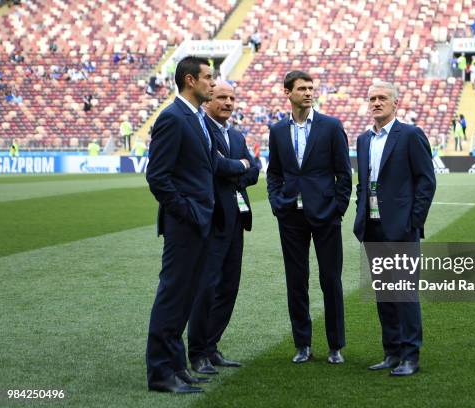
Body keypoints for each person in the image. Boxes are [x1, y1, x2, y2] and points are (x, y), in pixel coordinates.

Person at [267, 71, 352, 364]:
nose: (308, 92)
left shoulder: (331, 126)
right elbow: (274, 173)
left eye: (310, 88)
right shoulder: (277, 130)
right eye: (301, 88)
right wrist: (278, 203)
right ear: (287, 92)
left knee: (331, 280)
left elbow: (344, 174)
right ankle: (302, 345)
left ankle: (335, 346)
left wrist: (337, 209)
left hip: (325, 215)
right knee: (296, 281)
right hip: (291, 216)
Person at [145, 56, 218, 394]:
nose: (213, 83)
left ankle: (177, 366)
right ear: (190, 80)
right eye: (208, 77)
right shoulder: (173, 118)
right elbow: (158, 177)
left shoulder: (196, 118)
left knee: (186, 296)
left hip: (198, 222)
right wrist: (187, 211)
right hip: (185, 224)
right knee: (173, 295)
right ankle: (161, 373)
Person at [353, 81, 435, 376]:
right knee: (384, 294)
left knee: (404, 293)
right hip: (372, 227)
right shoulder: (363, 140)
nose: (376, 102)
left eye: (382, 98)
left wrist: (414, 222)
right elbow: (365, 184)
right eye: (372, 97)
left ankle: (411, 356)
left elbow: (427, 181)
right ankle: (392, 352)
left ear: (395, 103)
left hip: (401, 229)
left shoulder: (410, 135)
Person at [187, 80, 259, 375]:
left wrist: (239, 167)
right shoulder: (202, 130)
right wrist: (240, 167)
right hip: (213, 220)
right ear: (208, 100)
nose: (229, 102)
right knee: (207, 287)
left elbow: (254, 171)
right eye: (222, 97)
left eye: (232, 97)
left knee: (229, 286)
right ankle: (198, 352)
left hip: (236, 220)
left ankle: (212, 346)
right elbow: (218, 168)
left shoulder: (237, 136)